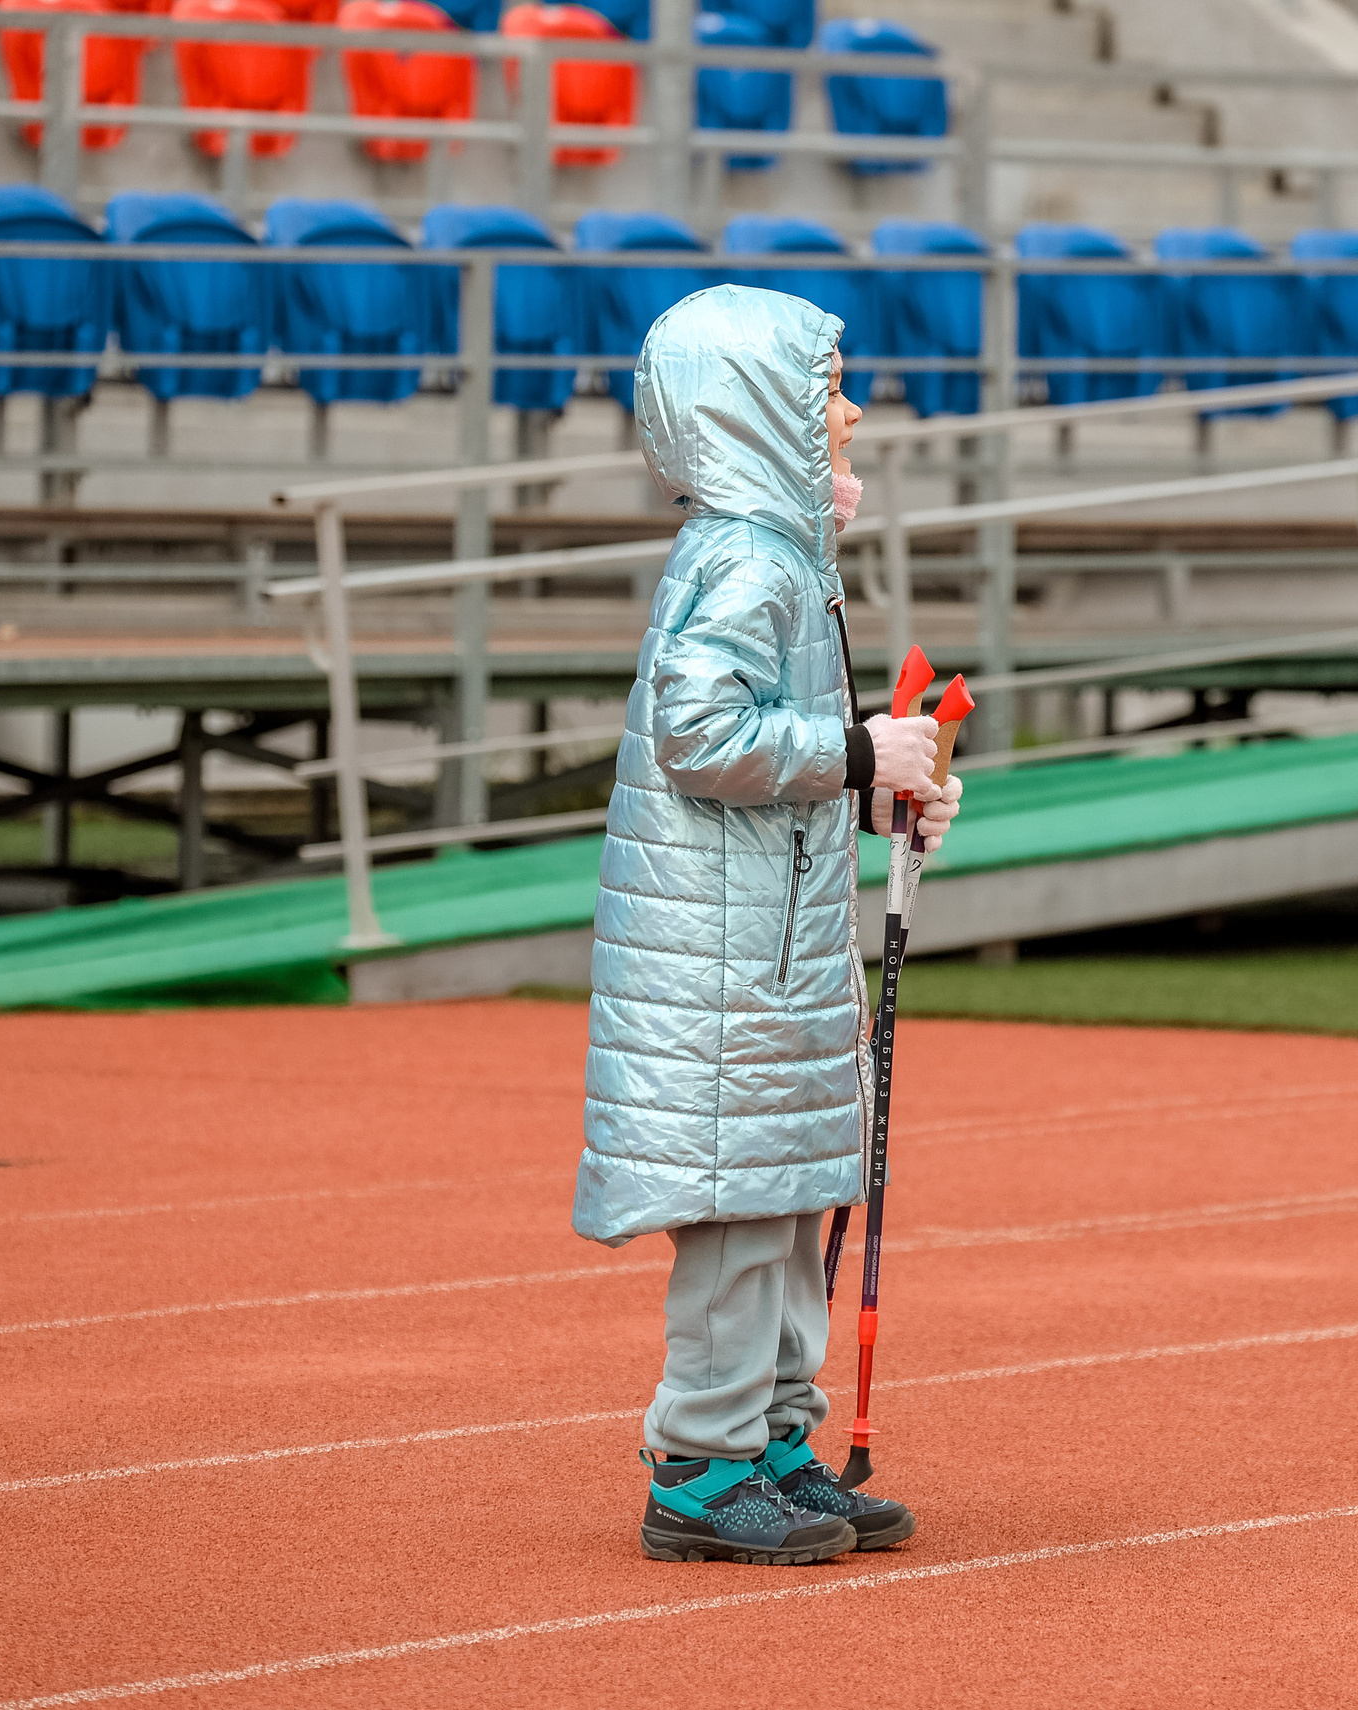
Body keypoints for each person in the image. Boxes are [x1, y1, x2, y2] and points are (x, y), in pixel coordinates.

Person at [574, 285, 963, 1565]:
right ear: (756, 413)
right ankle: (700, 1465)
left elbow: (767, 775)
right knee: (747, 1218)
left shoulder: (786, 556)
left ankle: (775, 1443)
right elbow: (700, 736)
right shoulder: (748, 555)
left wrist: (877, 790)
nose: (849, 412)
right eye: (824, 391)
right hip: (728, 963)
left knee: (793, 1200)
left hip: (772, 944)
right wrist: (859, 751)